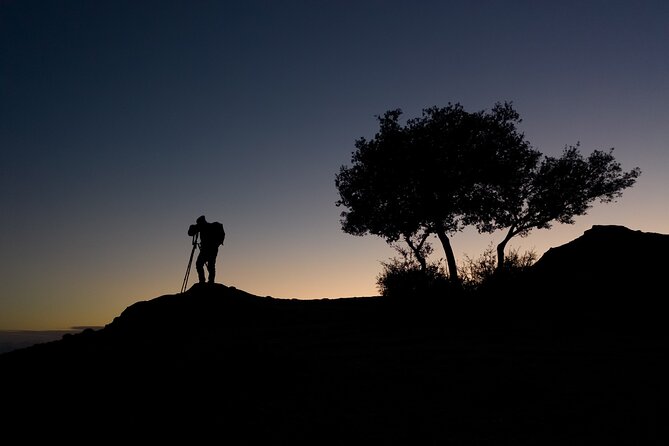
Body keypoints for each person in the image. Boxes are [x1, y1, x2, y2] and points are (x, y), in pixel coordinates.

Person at [188, 215, 225, 284]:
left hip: (207, 250)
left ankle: (204, 281)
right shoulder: (206, 226)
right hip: (212, 249)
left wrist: (194, 227)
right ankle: (209, 281)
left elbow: (190, 233)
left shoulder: (205, 227)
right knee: (209, 265)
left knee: (202, 264)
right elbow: (190, 233)